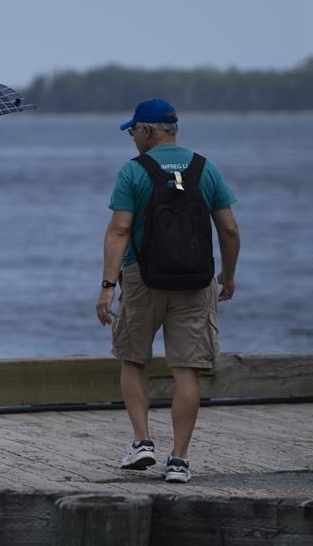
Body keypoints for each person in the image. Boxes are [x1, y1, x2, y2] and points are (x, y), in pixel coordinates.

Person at [95, 99, 241, 484]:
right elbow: (229, 229)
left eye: (132, 131)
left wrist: (108, 287)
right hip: (196, 281)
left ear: (147, 131)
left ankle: (142, 442)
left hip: (143, 278)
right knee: (186, 370)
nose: (132, 138)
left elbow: (120, 230)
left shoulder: (134, 172)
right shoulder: (204, 168)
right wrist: (228, 275)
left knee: (133, 358)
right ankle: (178, 460)